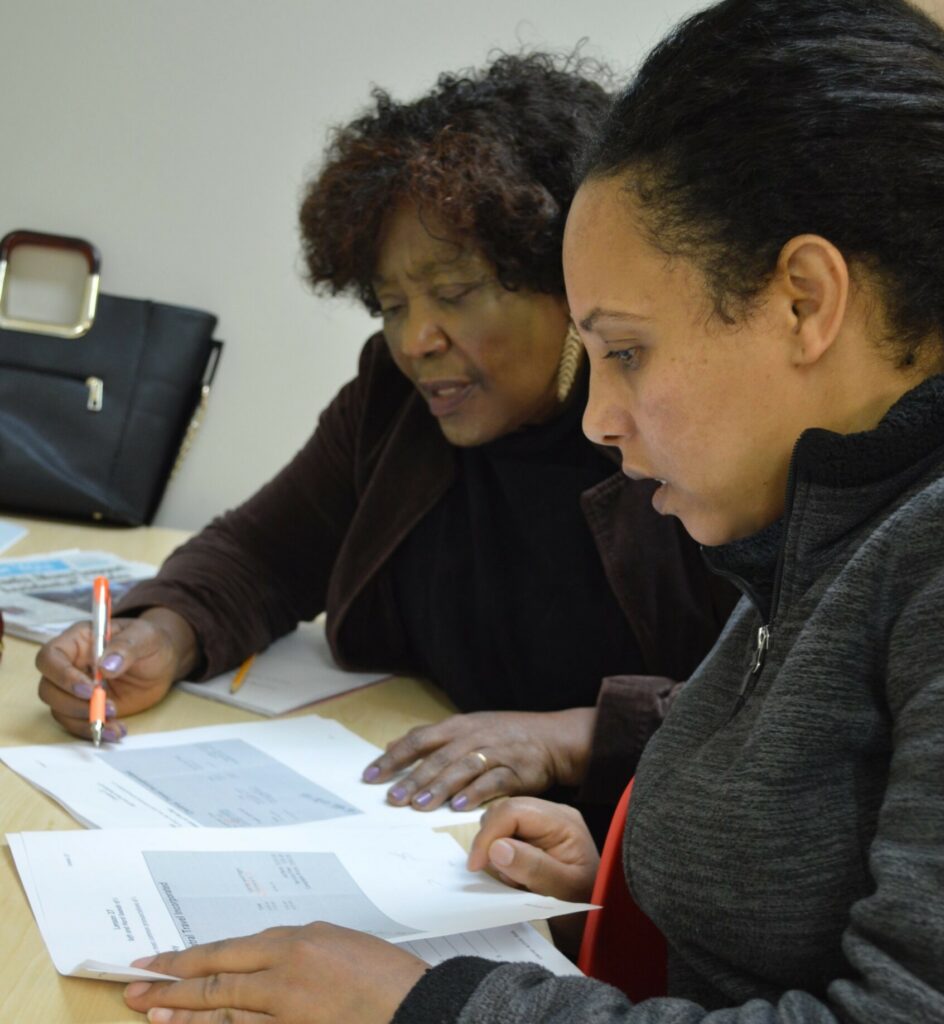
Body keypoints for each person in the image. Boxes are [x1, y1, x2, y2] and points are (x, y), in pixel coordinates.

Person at [120, 1, 944, 1021]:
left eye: (623, 349)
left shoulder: (934, 549)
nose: (600, 419)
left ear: (802, 299)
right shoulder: (818, 517)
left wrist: (429, 1006)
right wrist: (622, 904)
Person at [35, 52, 734, 830]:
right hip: (424, 819)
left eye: (454, 293)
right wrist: (158, 634)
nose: (417, 339)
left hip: (622, 851)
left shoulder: (679, 423)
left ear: (568, 275)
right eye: (390, 304)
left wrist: (575, 738)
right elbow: (265, 551)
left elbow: (770, 701)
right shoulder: (399, 397)